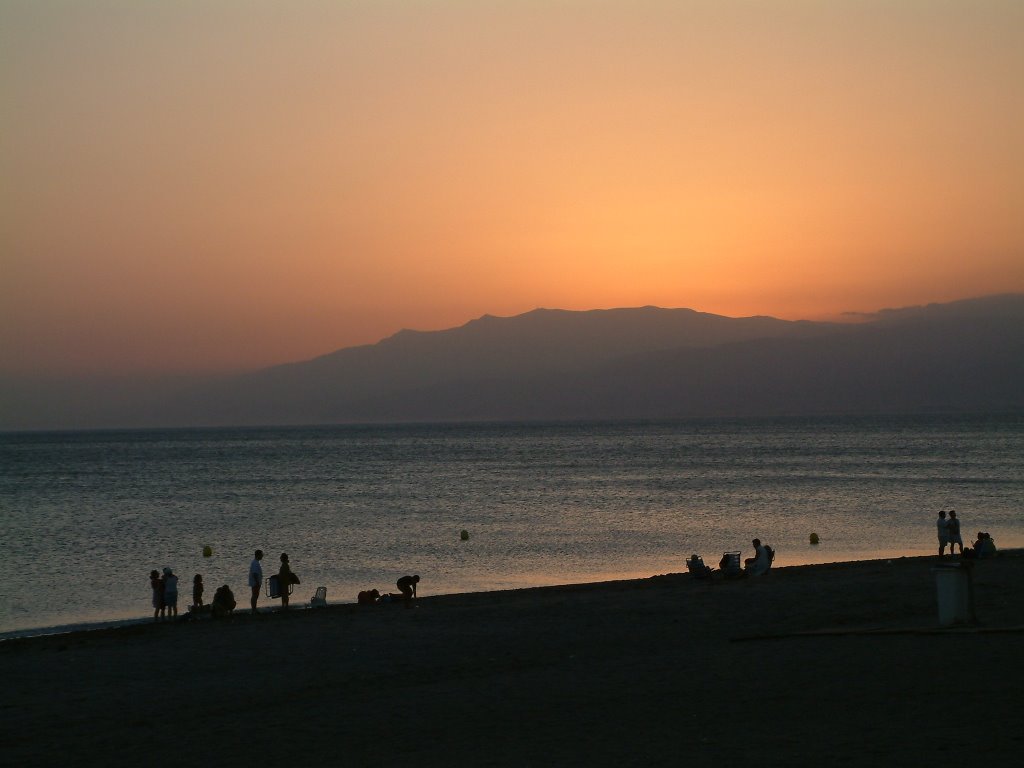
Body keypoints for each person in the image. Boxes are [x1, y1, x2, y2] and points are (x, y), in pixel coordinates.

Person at [249, 550, 264, 615]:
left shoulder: (256, 562)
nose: (262, 556)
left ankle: (254, 609)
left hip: (256, 582)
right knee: (255, 595)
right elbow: (255, 574)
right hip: (255, 582)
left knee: (255, 595)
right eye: (261, 554)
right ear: (258, 555)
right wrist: (257, 582)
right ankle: (253, 610)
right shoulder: (255, 563)